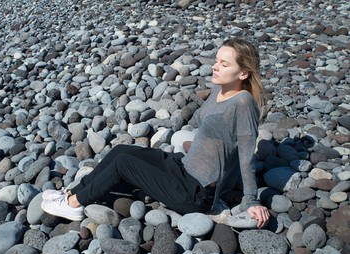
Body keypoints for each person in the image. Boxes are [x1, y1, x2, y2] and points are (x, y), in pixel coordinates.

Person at [41, 37, 270, 228]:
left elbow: (246, 155)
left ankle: (74, 206)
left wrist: (250, 200)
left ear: (243, 74)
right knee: (121, 150)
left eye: (224, 64)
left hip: (195, 193)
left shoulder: (243, 103)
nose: (215, 66)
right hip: (182, 166)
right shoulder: (219, 89)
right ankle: (72, 193)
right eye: (217, 60)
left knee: (123, 165)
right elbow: (204, 124)